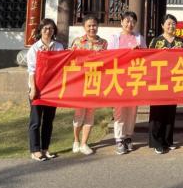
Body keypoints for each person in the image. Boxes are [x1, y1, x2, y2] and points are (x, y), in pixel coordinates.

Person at [108, 10, 147, 155]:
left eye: (133, 22)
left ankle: (128, 136)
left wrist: (138, 51)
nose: (130, 24)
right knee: (119, 109)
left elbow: (146, 57)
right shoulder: (115, 38)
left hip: (134, 78)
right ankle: (119, 138)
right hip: (119, 78)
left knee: (132, 109)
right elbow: (109, 57)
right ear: (121, 22)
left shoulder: (139, 38)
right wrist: (127, 52)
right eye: (127, 21)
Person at [69, 15, 108, 155]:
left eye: (94, 25)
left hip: (95, 81)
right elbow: (69, 60)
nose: (92, 28)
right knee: (79, 113)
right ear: (84, 27)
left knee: (90, 113)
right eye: (89, 26)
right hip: (80, 82)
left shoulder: (103, 43)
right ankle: (76, 140)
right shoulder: (77, 42)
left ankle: (84, 143)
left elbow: (106, 61)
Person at [27, 18, 65, 161]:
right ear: (40, 30)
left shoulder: (58, 47)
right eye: (45, 28)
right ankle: (35, 150)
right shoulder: (34, 48)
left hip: (52, 88)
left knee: (48, 121)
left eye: (51, 29)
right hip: (37, 88)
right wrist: (33, 89)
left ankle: (45, 148)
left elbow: (61, 65)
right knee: (36, 121)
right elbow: (31, 71)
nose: (48, 31)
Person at [148, 14, 183, 154]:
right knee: (157, 112)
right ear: (162, 25)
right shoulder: (156, 41)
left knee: (170, 112)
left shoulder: (180, 42)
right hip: (158, 81)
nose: (171, 26)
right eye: (168, 23)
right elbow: (149, 59)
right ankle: (156, 142)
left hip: (174, 80)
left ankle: (168, 140)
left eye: (173, 23)